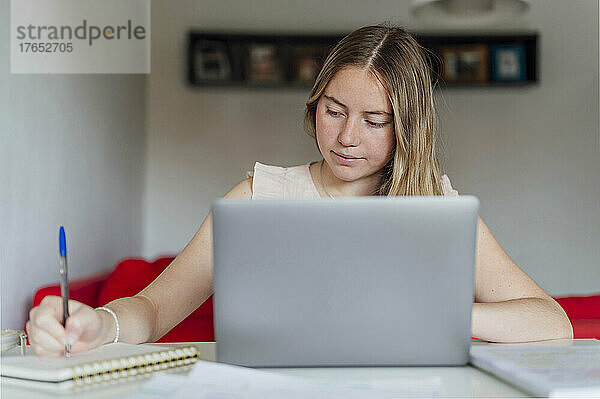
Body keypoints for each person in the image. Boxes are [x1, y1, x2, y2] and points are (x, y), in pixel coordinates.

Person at [27, 25, 572, 357]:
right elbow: (152, 307)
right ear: (314, 108)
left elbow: (552, 322)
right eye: (333, 112)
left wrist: (438, 310)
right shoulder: (260, 196)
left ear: (407, 128)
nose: (347, 137)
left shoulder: (438, 207)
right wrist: (100, 323)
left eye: (374, 120)